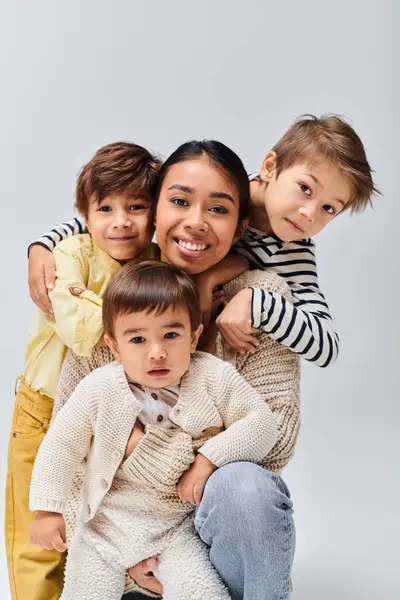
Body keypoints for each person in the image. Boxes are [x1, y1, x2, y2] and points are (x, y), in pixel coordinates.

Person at [47, 140, 300, 600]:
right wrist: (129, 559)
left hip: (206, 521)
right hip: (124, 537)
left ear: (241, 224)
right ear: (155, 211)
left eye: (218, 209)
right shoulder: (123, 292)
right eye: (180, 201)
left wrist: (150, 446)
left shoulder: (261, 296)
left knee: (245, 487)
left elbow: (275, 439)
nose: (196, 221)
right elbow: (71, 449)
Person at [27, 115, 379, 371]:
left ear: (238, 227)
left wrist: (255, 301)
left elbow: (326, 346)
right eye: (305, 188)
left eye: (329, 208)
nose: (308, 214)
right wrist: (44, 244)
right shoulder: (217, 180)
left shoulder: (293, 252)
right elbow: (120, 212)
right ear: (270, 167)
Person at [29, 260, 279, 600]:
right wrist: (46, 510)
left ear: (193, 338)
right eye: (137, 339)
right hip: (104, 529)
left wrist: (207, 461)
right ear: (115, 346)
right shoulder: (98, 388)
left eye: (171, 335)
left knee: (203, 593)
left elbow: (262, 423)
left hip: (175, 532)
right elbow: (61, 446)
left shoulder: (212, 377)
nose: (157, 352)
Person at [6, 142, 162, 600]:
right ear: (85, 214)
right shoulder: (68, 254)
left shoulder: (155, 263)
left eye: (137, 207)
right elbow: (81, 331)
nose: (121, 221)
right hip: (45, 406)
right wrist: (144, 312)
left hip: (111, 420)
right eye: (106, 208)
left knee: (90, 521)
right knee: (37, 525)